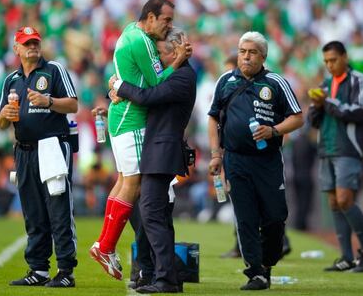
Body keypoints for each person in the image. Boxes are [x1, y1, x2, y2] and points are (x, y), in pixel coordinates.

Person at [89, 0, 189, 281]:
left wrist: (117, 86)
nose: (169, 26)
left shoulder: (128, 32)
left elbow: (129, 77)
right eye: (166, 20)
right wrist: (178, 61)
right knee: (134, 185)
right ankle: (107, 246)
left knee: (124, 181)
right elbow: (158, 84)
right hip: (132, 120)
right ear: (151, 17)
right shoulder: (142, 41)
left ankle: (105, 245)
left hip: (121, 119)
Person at [208, 31, 303, 290]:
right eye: (242, 51)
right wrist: (216, 154)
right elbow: (213, 117)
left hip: (268, 160)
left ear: (263, 56)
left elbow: (298, 117)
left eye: (251, 52)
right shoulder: (225, 81)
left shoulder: (275, 82)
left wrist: (273, 130)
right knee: (245, 218)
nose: (246, 56)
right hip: (235, 160)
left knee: (274, 217)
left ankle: (268, 264)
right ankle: (255, 272)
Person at [110, 26, 196, 294]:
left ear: (173, 52)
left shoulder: (181, 76)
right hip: (157, 150)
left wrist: (119, 85)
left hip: (162, 151)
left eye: (159, 53)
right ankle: (168, 276)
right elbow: (147, 91)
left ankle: (165, 278)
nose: (156, 60)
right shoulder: (176, 74)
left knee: (151, 214)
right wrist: (114, 93)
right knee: (155, 216)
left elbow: (148, 96)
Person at [0, 26, 78, 287]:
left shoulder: (54, 69)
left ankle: (66, 271)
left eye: (35, 42)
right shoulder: (12, 80)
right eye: (27, 43)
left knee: (58, 210)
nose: (32, 46)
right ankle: (38, 270)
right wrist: (4, 116)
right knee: (33, 212)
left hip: (52, 146)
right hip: (24, 149)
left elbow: (74, 104)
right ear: (16, 49)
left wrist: (49, 101)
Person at [308, 40, 363, 273]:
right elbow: (313, 120)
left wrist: (327, 102)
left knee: (345, 200)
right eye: (326, 62)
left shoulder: (358, 80)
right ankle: (346, 257)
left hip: (348, 148)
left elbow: (358, 112)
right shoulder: (326, 83)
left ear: (345, 57)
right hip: (326, 148)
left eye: (333, 60)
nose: (329, 65)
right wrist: (317, 107)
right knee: (334, 203)